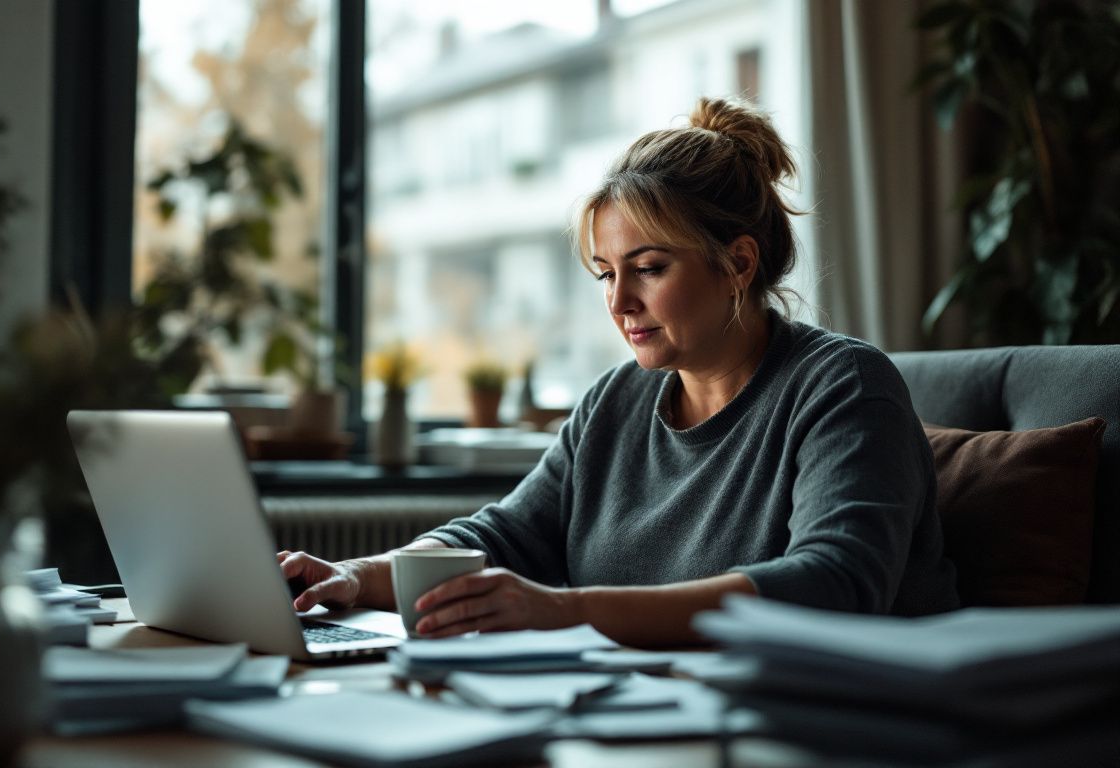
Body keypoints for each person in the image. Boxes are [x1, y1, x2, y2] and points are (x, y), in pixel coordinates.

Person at [280, 97, 959, 648]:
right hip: (641, 716)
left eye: (650, 269)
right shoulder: (616, 400)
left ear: (740, 264)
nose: (619, 302)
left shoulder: (843, 386)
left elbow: (834, 584)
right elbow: (504, 534)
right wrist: (354, 574)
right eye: (607, 274)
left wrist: (567, 611)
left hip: (824, 728)